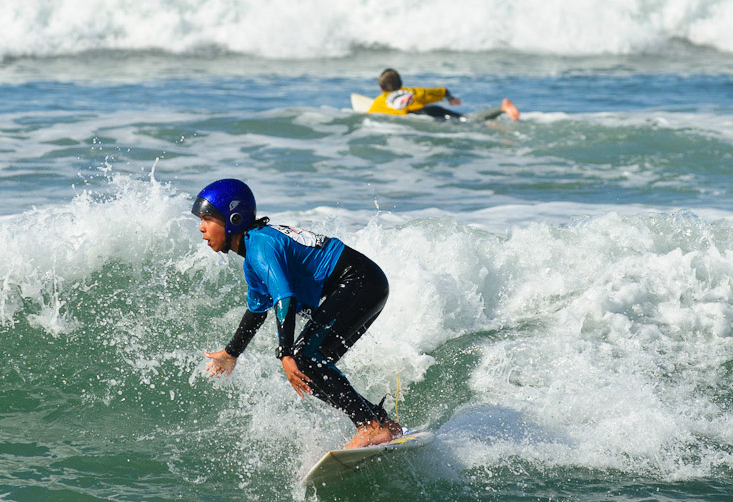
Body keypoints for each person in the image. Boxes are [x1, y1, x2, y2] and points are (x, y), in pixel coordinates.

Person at [193, 178, 404, 449]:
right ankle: (381, 423)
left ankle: (370, 426)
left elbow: (285, 298)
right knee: (311, 369)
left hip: (359, 281)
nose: (201, 229)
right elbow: (257, 311)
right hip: (365, 283)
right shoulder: (254, 258)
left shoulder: (259, 244)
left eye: (208, 219)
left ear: (233, 218)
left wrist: (285, 354)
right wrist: (231, 352)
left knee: (304, 360)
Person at [367, 68, 519, 122]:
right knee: (467, 119)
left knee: (466, 124)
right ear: (401, 83)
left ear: (381, 88)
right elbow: (443, 91)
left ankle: (501, 110)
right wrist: (450, 99)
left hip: (419, 116)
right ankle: (501, 108)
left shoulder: (379, 102)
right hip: (433, 110)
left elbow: (370, 116)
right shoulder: (412, 91)